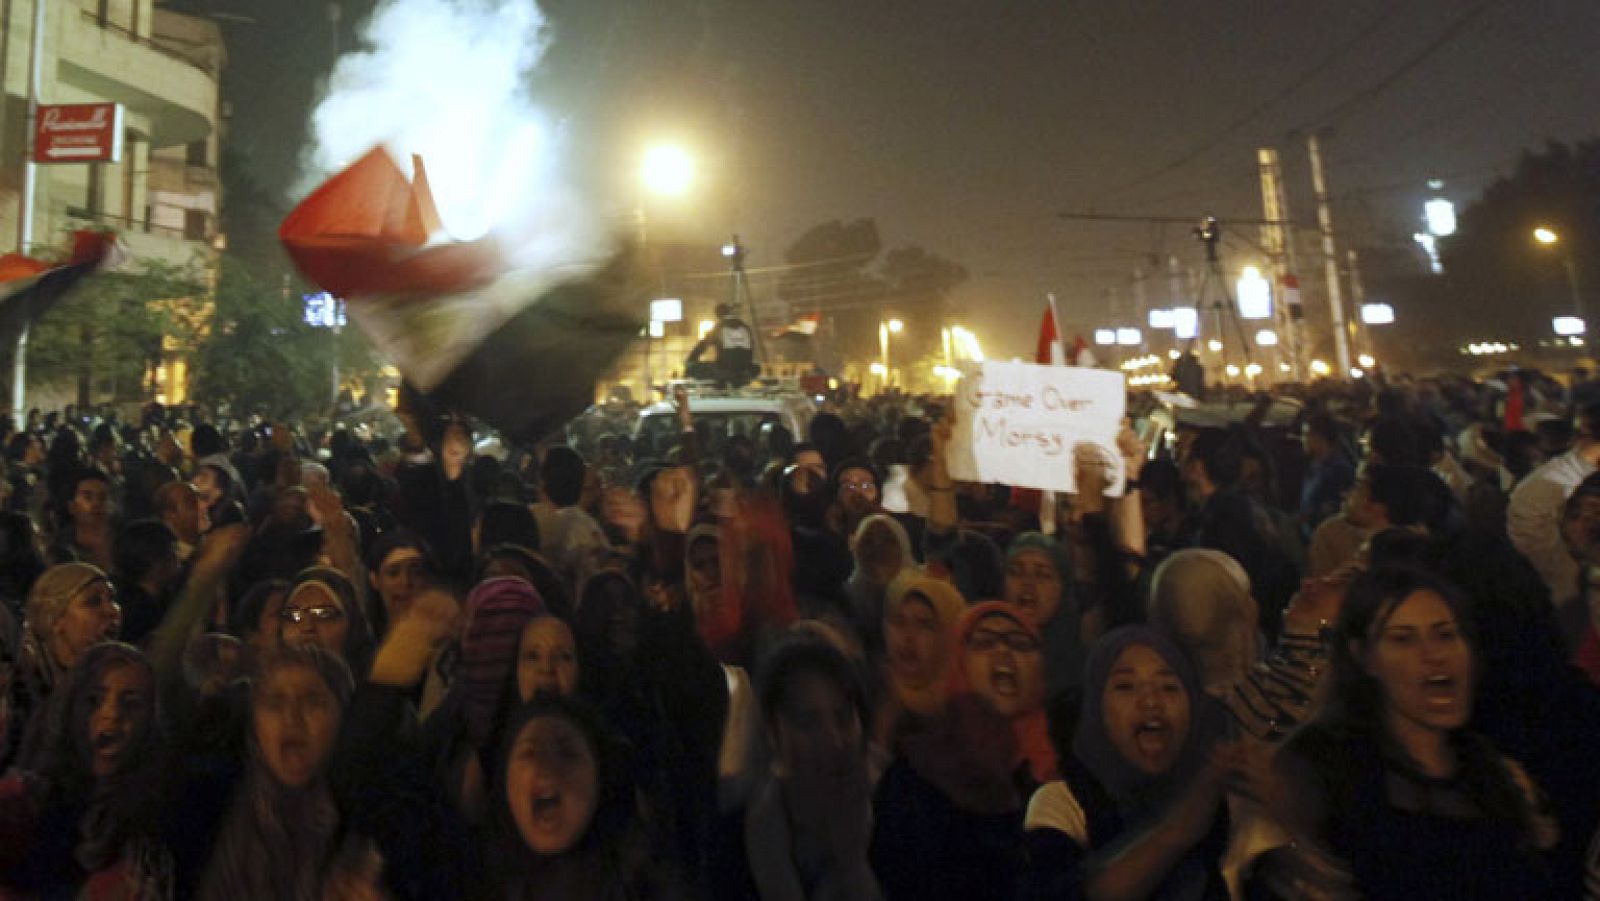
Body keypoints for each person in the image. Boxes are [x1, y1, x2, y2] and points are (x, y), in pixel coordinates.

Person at [1272, 566, 1560, 897]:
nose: (1434, 655)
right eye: (1403, 639)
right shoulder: (1325, 766)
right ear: (1364, 657)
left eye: (1445, 634)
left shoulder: (1491, 769)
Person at [1021, 625, 1233, 900]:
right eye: (1125, 686)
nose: (1151, 701)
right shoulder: (1063, 804)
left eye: (1169, 687)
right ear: (1096, 709)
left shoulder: (1221, 798)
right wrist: (1178, 832)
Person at [0, 642, 168, 897]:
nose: (111, 714)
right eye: (94, 700)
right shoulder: (20, 802)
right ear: (70, 709)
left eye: (131, 703)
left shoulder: (154, 819)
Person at [481, 694, 683, 898]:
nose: (544, 767)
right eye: (529, 752)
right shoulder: (480, 885)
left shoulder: (649, 887)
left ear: (600, 778)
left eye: (567, 753)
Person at [745, 626, 880, 901]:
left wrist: (852, 863)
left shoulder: (894, 811)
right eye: (807, 722)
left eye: (843, 718)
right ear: (773, 731)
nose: (833, 741)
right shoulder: (746, 836)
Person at [8, 563, 121, 767]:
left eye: (112, 599)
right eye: (94, 602)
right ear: (55, 617)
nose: (112, 611)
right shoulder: (22, 691)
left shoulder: (121, 678)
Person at [686, 303, 758, 388]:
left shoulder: (719, 328)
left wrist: (690, 361)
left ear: (718, 315)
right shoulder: (746, 328)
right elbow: (752, 349)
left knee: (693, 367)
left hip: (725, 370)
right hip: (745, 369)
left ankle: (716, 387)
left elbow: (702, 347)